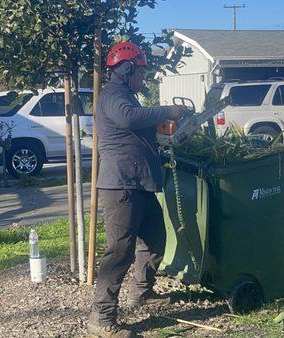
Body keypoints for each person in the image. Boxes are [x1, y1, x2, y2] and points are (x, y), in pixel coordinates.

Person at [88, 41, 186, 338]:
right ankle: (101, 318)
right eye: (141, 72)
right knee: (119, 251)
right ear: (127, 69)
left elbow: (136, 125)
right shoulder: (114, 94)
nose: (144, 78)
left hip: (139, 183)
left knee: (155, 239)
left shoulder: (128, 95)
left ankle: (141, 292)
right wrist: (166, 110)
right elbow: (128, 118)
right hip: (121, 186)